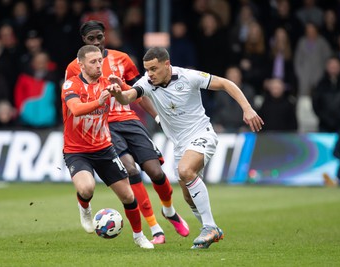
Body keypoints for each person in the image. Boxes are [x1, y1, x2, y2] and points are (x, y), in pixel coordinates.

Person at [108, 47, 264, 249]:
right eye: (147, 70)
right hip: (180, 145)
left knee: (185, 170)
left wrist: (247, 108)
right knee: (188, 197)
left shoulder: (188, 77)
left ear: (167, 64)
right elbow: (129, 97)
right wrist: (118, 94)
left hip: (202, 134)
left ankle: (210, 227)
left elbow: (226, 83)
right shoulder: (146, 83)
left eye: (154, 69)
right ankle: (210, 233)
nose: (150, 74)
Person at [65, 20, 189, 244]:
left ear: (105, 36)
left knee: (155, 171)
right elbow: (71, 101)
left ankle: (169, 211)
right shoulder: (75, 67)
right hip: (104, 126)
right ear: (84, 41)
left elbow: (139, 93)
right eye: (91, 39)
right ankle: (153, 228)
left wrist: (158, 116)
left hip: (129, 120)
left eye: (99, 37)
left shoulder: (122, 59)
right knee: (130, 170)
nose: (96, 42)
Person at [61, 44, 153, 249]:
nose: (98, 65)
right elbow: (75, 110)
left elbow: (135, 95)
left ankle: (139, 236)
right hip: (77, 151)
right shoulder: (70, 85)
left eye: (99, 61)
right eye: (92, 62)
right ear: (81, 64)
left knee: (128, 196)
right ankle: (84, 208)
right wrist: (100, 100)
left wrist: (120, 89)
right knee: (86, 188)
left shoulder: (107, 83)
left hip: (104, 148)